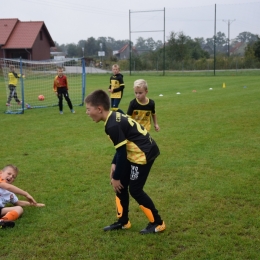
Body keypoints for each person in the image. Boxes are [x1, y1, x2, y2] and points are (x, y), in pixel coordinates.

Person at [85, 90, 165, 234]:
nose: (87, 112)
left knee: (135, 189)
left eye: (88, 109)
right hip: (135, 152)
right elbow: (121, 148)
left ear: (99, 109)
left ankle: (158, 223)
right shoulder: (114, 115)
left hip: (144, 153)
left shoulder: (112, 126)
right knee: (120, 185)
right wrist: (114, 164)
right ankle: (123, 222)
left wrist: (115, 178)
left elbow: (122, 152)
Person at [0, 164, 45, 228]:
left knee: (19, 208)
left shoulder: (10, 194)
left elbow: (18, 203)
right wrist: (26, 194)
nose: (10, 177)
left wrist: (34, 204)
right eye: (9, 173)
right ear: (1, 172)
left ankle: (2, 221)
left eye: (13, 177)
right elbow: (7, 187)